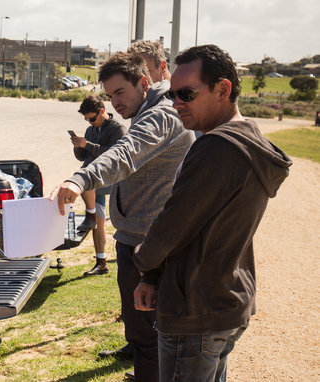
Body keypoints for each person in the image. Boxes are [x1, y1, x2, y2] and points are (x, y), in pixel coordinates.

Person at [132, 44, 292, 382]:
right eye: (173, 94)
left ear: (223, 89)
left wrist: (143, 261)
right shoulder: (247, 142)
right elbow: (198, 227)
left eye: (186, 94)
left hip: (195, 308)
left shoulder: (217, 148)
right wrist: (153, 277)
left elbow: (172, 225)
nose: (176, 104)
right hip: (224, 301)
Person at [49, 52, 195, 381]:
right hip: (139, 236)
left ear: (144, 82)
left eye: (120, 93)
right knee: (143, 334)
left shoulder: (159, 115)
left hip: (148, 243)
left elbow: (126, 154)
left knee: (150, 339)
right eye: (110, 95)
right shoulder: (149, 111)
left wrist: (80, 178)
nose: (114, 102)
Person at [71, 95, 127, 276]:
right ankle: (101, 263)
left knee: (85, 186)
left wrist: (88, 144)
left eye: (92, 118)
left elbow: (114, 155)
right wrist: (78, 146)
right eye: (87, 119)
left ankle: (90, 215)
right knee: (98, 223)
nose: (90, 122)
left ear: (102, 111)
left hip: (107, 179)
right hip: (93, 178)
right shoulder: (90, 130)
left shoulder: (117, 129)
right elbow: (83, 157)